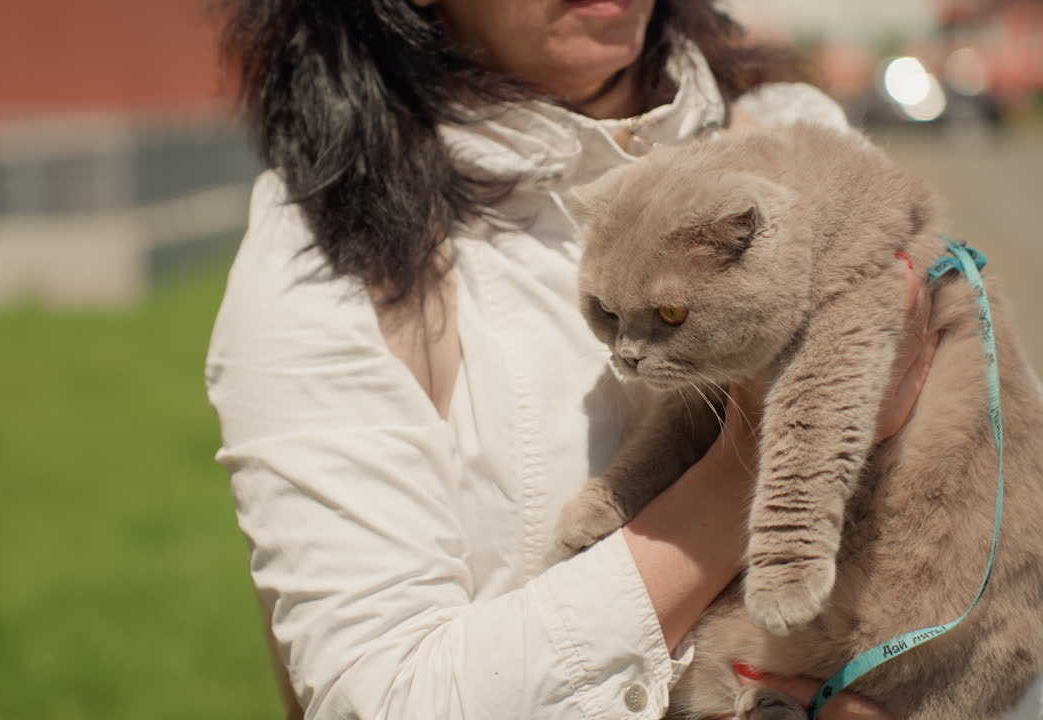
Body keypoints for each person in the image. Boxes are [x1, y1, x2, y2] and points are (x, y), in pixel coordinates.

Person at [206, 1, 1042, 718]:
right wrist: (734, 476)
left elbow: (1006, 504)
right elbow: (385, 698)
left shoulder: (786, 125)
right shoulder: (329, 251)